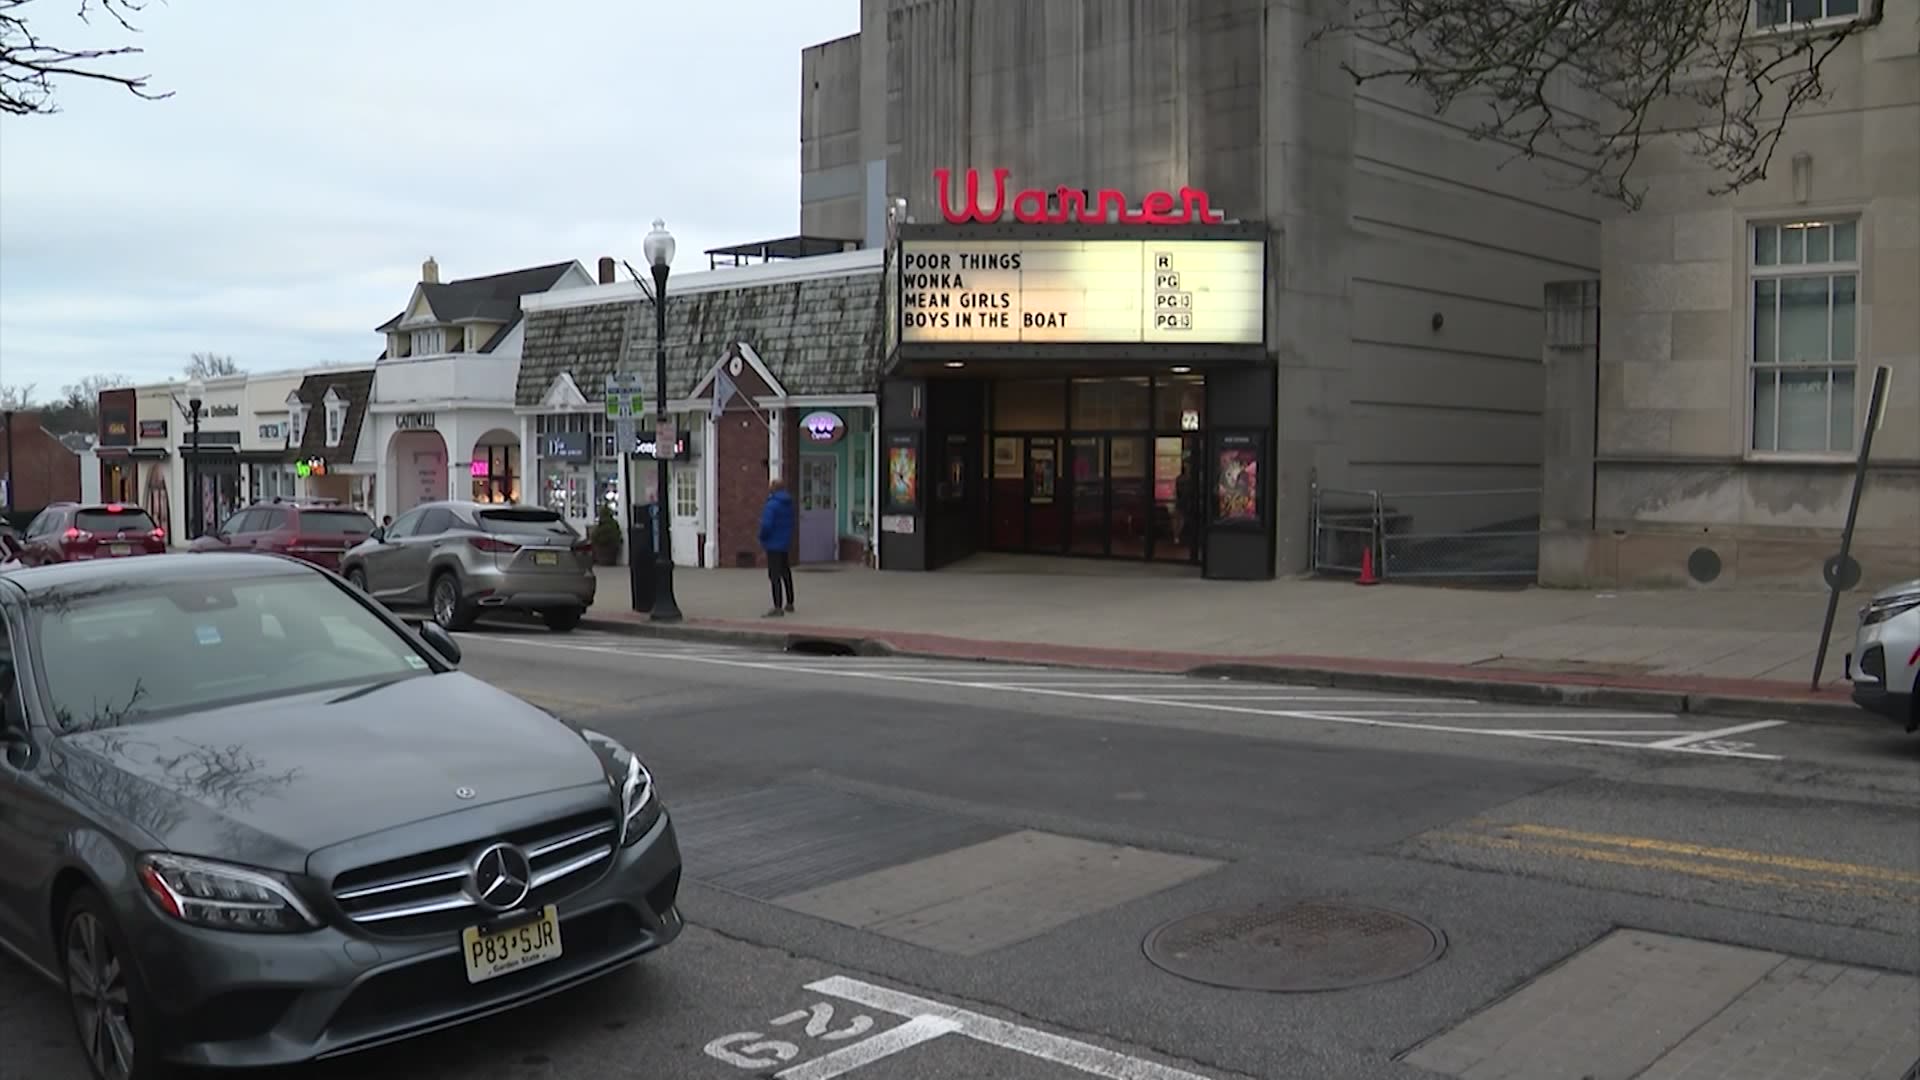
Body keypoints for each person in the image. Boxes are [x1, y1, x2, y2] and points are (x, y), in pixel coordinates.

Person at [758, 478, 797, 617]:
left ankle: (777, 606)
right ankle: (790, 602)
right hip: (784, 543)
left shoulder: (772, 505)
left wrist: (762, 537)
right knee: (786, 572)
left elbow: (766, 526)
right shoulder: (788, 504)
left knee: (774, 575)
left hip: (773, 544)